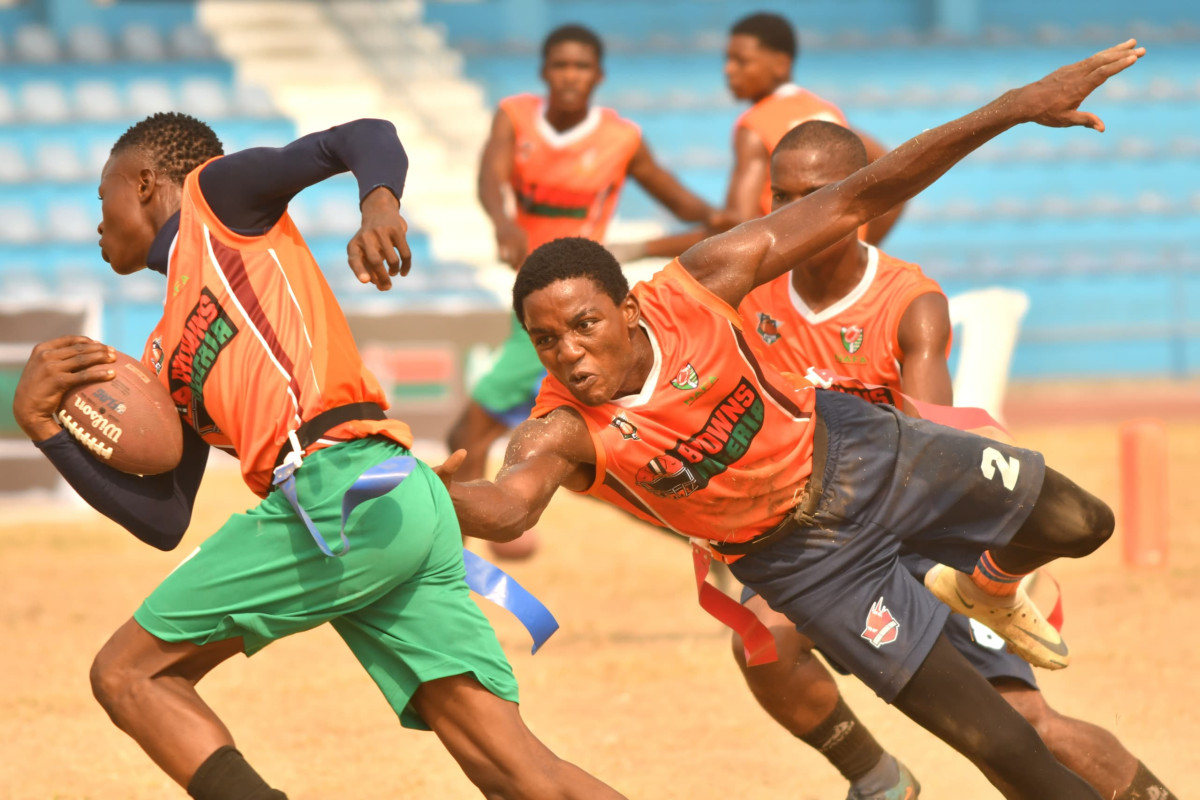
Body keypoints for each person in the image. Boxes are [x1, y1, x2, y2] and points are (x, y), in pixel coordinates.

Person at [442, 41, 1147, 799]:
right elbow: (512, 506)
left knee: (1087, 523)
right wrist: (432, 491)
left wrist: (1021, 103)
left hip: (863, 454)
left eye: (584, 326)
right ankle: (878, 779)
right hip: (803, 565)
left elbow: (862, 193)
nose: (570, 356)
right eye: (546, 341)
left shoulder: (702, 286)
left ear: (629, 306)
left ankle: (990, 585)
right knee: (1006, 744)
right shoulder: (560, 426)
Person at [12, 113, 626, 800]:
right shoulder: (162, 353)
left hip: (345, 487)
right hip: (390, 501)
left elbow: (363, 136)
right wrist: (47, 430)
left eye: (104, 201)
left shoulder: (218, 202)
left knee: (127, 674)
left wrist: (379, 208)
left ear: (146, 182)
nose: (97, 224)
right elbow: (163, 520)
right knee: (519, 774)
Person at [733, 119, 1178, 800]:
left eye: (816, 195)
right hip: (810, 538)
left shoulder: (911, 303)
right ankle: (879, 780)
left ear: (858, 200)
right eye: (781, 197)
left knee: (1023, 727)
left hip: (910, 529)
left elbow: (928, 453)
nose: (797, 215)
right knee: (762, 641)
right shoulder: (744, 294)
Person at [448, 24, 724, 559]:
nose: (570, 76)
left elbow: (690, 209)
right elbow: (489, 178)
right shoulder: (515, 117)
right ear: (545, 72)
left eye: (581, 67)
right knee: (574, 461)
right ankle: (705, 541)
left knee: (479, 433)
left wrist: (704, 225)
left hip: (579, 313)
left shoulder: (621, 139)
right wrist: (504, 223)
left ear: (597, 76)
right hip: (537, 308)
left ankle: (448, 572)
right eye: (560, 65)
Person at [611, 11, 901, 263]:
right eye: (727, 60)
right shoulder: (825, 111)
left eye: (741, 61)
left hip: (790, 278)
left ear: (780, 64)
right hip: (841, 269)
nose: (728, 69)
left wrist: (642, 249)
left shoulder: (755, 125)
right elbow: (896, 180)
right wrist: (863, 242)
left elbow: (738, 224)